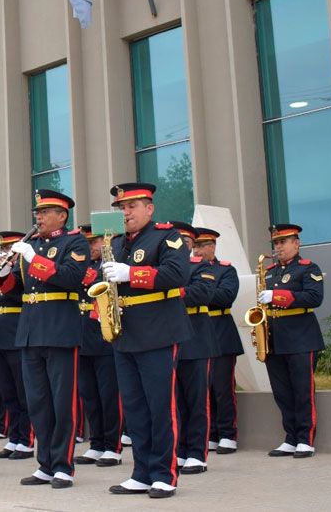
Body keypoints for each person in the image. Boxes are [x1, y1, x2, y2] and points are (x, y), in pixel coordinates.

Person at [100, 183, 192, 499]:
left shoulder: (168, 237)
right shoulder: (115, 242)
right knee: (135, 408)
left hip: (159, 330)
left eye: (132, 206)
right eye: (121, 208)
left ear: (149, 209)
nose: (125, 213)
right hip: (126, 332)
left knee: (160, 406)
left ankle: (164, 473)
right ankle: (141, 472)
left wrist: (131, 273)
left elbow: (177, 274)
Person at [5, 190, 89, 488]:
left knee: (62, 401)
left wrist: (33, 258)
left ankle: (63, 465)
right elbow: (18, 291)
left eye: (45, 212)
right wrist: (4, 274)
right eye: (37, 213)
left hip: (59, 330)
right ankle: (45, 464)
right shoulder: (33, 245)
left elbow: (69, 277)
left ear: (62, 215)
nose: (38, 217)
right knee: (38, 402)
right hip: (30, 330)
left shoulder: (74, 241)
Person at [260, 223, 324, 459]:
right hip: (275, 338)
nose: (278, 247)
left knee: (302, 390)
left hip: (301, 337)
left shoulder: (308, 268)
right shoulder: (269, 271)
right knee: (282, 392)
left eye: (283, 242)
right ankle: (290, 437)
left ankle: (305, 439)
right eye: (275, 243)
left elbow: (315, 297)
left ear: (296, 243)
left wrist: (277, 296)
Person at [74, 224, 123, 468]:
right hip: (83, 334)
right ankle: (96, 443)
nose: (89, 247)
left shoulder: (107, 265)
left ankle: (113, 446)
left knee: (108, 395)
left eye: (92, 242)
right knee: (89, 395)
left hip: (103, 335)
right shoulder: (83, 263)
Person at [172, 221, 217, 475]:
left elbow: (201, 293)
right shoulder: (163, 267)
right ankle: (179, 450)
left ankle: (197, 453)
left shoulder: (200, 266)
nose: (181, 246)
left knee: (196, 400)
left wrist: (168, 290)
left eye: (185, 243)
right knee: (174, 401)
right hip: (170, 338)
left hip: (197, 340)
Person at [196, 228, 243, 455]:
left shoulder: (226, 270)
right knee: (202, 387)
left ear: (212, 247)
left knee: (222, 387)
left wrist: (200, 292)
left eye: (200, 246)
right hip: (198, 331)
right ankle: (212, 433)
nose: (195, 250)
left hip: (221, 330)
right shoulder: (190, 269)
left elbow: (226, 297)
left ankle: (227, 433)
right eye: (193, 245)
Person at [0, 230, 34, 463]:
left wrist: (8, 273)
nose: (5, 253)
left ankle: (26, 439)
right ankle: (14, 437)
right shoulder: (2, 270)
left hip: (16, 332)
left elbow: (17, 295)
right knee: (8, 393)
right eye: (3, 249)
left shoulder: (23, 271)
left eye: (9, 249)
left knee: (22, 391)